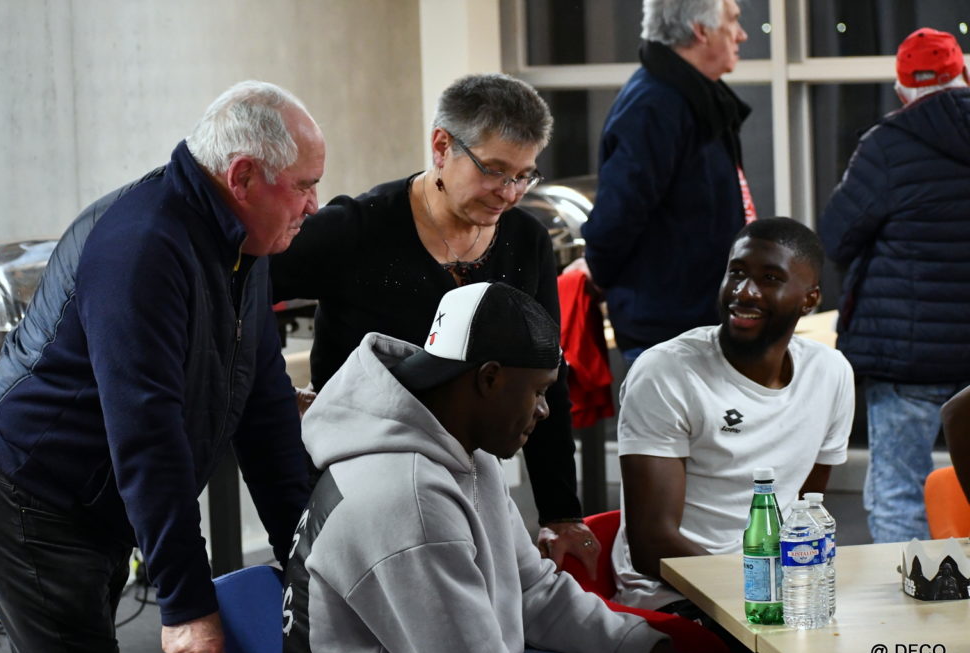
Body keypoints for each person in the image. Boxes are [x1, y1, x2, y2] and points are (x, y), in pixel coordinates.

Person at [0, 81, 321, 653]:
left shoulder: (244, 244)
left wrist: (306, 571)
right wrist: (187, 605)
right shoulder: (143, 245)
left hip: (96, 488)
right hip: (26, 484)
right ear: (244, 177)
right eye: (304, 186)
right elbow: (148, 438)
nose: (314, 205)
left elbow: (266, 409)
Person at [283, 282, 741, 653]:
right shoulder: (405, 498)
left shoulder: (463, 451)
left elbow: (534, 594)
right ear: (489, 378)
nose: (544, 410)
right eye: (538, 391)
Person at [270, 72, 601, 574]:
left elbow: (545, 377)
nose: (510, 192)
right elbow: (237, 294)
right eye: (495, 170)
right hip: (361, 485)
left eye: (524, 175)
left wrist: (561, 511)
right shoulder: (358, 229)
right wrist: (279, 394)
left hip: (467, 482)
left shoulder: (526, 240)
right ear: (442, 146)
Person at [611, 218, 854, 616]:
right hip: (675, 594)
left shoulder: (831, 372)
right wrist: (765, 589)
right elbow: (651, 546)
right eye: (737, 273)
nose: (744, 292)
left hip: (775, 590)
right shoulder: (666, 371)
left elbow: (805, 511)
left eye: (770, 278)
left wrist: (787, 589)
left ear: (809, 299)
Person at [819, 27, 970, 543]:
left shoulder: (886, 145)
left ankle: (908, 594)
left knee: (899, 491)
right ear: (963, 72)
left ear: (902, 89)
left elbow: (836, 236)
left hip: (905, 355)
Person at [579, 0, 753, 366]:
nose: (742, 35)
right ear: (700, 31)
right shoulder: (654, 104)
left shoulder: (697, 94)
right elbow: (616, 217)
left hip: (702, 322)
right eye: (733, 22)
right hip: (669, 334)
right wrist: (600, 271)